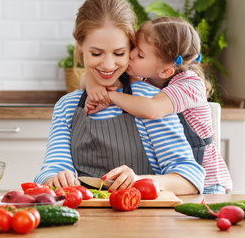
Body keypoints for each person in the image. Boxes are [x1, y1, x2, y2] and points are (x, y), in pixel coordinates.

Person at [34, 0, 205, 195]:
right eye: (96, 53)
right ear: (80, 46)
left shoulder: (148, 100)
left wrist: (140, 180)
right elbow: (51, 168)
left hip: (146, 222)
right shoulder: (67, 106)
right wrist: (54, 178)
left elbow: (190, 179)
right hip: (84, 220)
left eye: (119, 53)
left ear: (132, 49)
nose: (107, 65)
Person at [83, 17, 232, 194]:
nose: (130, 54)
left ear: (165, 71)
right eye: (133, 47)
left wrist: (110, 95)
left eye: (140, 54)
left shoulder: (190, 84)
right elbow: (91, 76)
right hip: (171, 178)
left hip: (206, 181)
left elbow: (152, 109)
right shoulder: (147, 77)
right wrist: (94, 86)